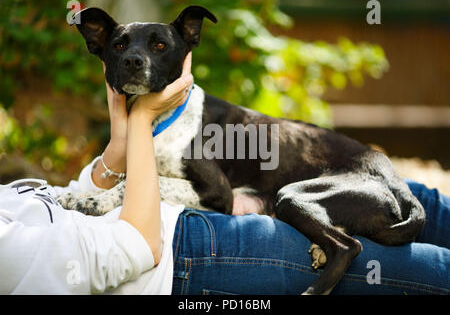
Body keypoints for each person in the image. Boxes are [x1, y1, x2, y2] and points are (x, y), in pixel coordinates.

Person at [0, 53, 448, 295]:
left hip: (342, 177)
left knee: (413, 199)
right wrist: (139, 124)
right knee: (417, 273)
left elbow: (70, 203)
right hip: (189, 251)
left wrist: (117, 148)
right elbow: (131, 247)